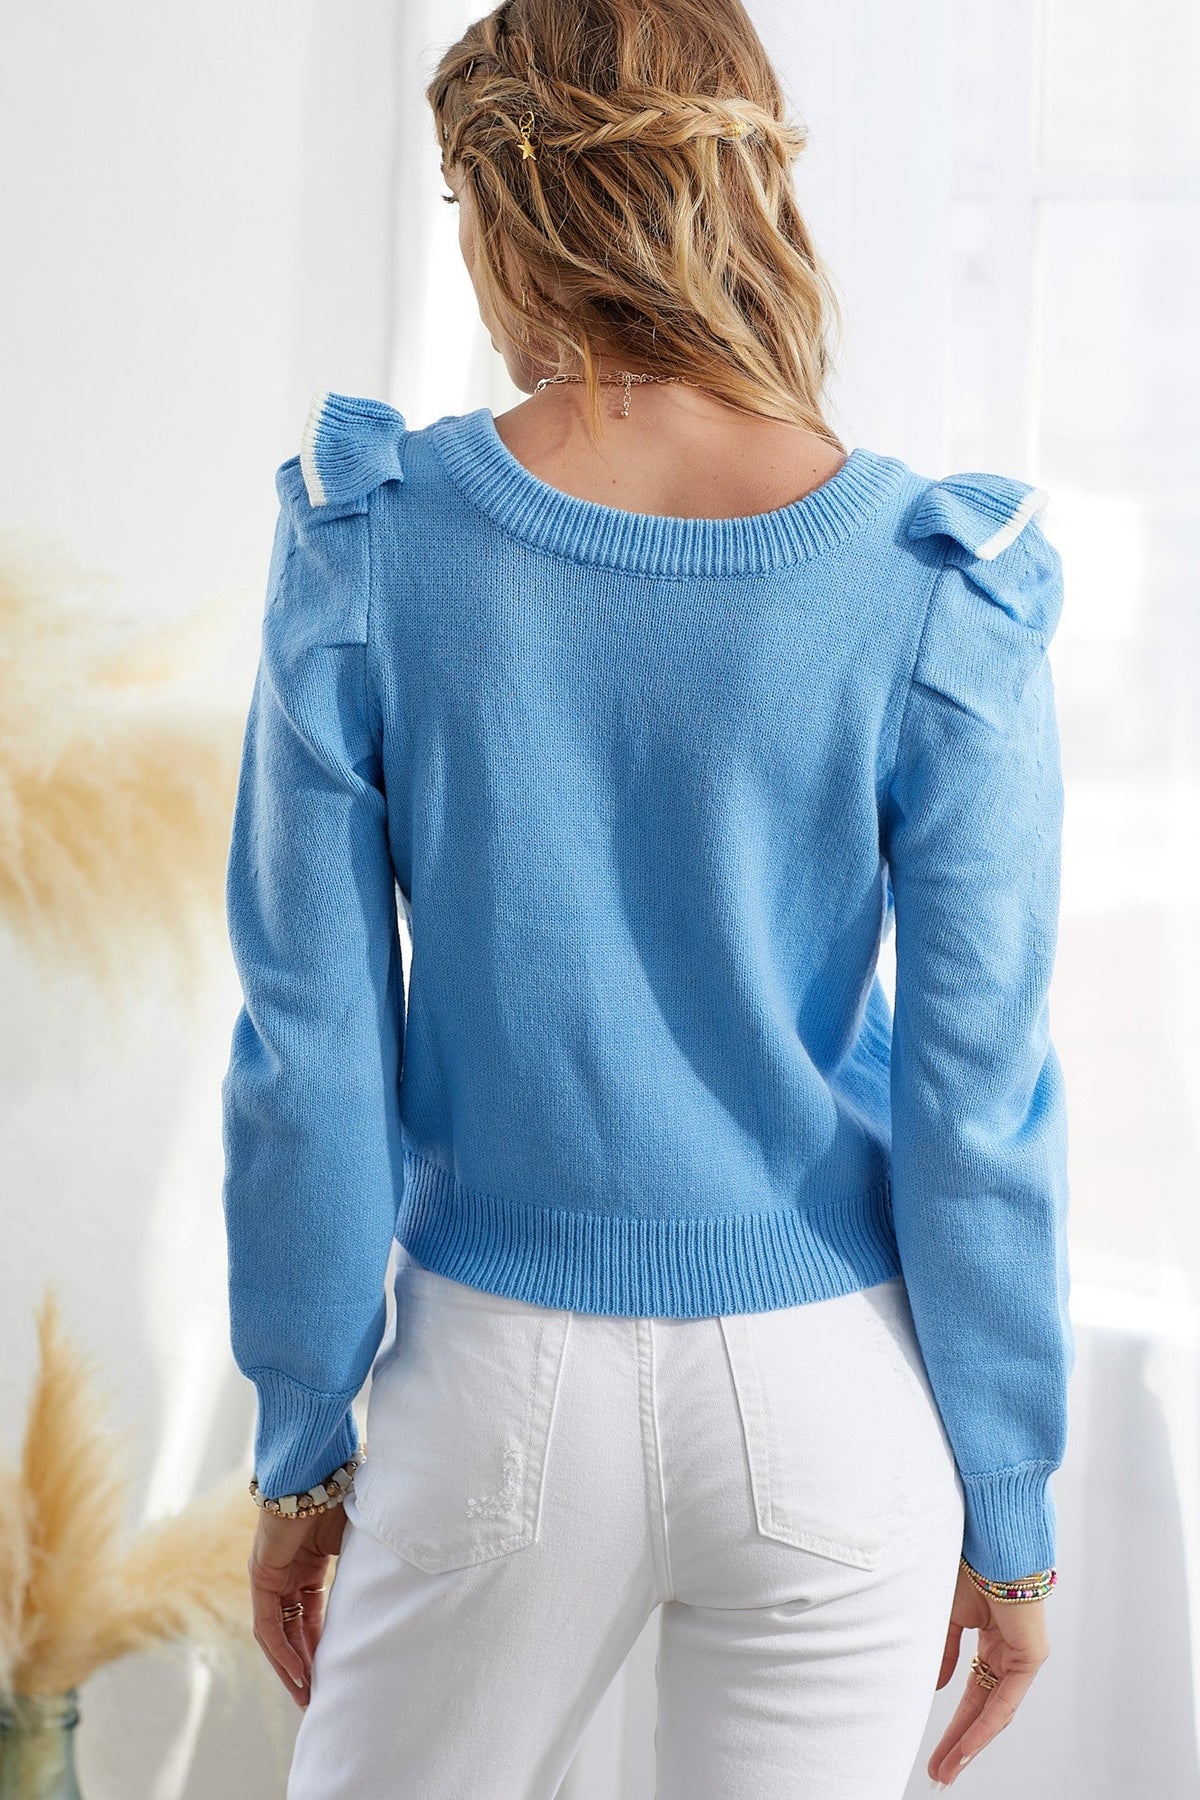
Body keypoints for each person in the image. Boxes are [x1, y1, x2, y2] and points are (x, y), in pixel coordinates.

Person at [220, 2, 1071, 1795]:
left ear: (507, 208)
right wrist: (1009, 1506)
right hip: (835, 1393)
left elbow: (312, 1048)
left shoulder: (372, 537)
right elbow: (977, 1093)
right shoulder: (938, 577)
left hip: (494, 1379)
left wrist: (302, 1440)